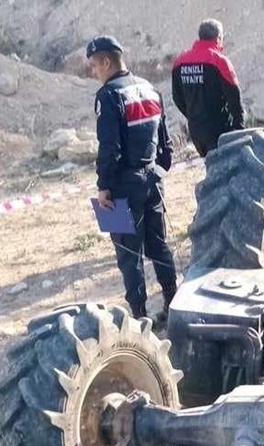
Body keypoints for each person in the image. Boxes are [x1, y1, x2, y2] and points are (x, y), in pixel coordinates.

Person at [86, 35, 179, 322]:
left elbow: (109, 149)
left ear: (106, 61)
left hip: (122, 186)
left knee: (129, 253)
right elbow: (166, 145)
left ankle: (140, 317)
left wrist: (103, 188)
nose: (93, 72)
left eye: (94, 66)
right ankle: (173, 302)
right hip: (152, 181)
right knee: (157, 244)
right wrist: (157, 173)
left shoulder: (109, 95)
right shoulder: (150, 89)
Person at [171, 19, 246, 157]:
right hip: (220, 131)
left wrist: (193, 115)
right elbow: (234, 99)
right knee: (224, 172)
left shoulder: (179, 62)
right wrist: (239, 131)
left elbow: (177, 97)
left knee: (210, 168)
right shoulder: (219, 61)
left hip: (196, 131)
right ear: (218, 38)